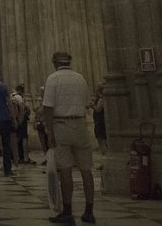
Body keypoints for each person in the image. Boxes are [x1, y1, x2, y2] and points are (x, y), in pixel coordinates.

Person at [41, 50, 96, 225]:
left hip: (62, 125)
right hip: (80, 124)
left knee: (65, 169)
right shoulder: (80, 78)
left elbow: (48, 107)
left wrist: (49, 132)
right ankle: (89, 211)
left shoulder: (53, 79)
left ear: (54, 63)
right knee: (86, 169)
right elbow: (87, 103)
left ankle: (67, 211)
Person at [12, 83, 30, 164]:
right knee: (23, 138)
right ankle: (25, 157)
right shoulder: (21, 99)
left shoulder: (13, 97)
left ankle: (18, 157)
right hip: (21, 120)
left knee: (17, 138)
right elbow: (27, 109)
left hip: (15, 120)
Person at [91, 85, 107, 157]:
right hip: (99, 121)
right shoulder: (102, 99)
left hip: (99, 122)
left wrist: (92, 106)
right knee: (102, 141)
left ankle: (104, 156)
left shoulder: (101, 99)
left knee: (101, 141)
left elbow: (98, 109)